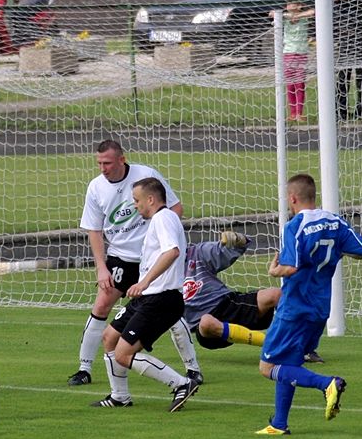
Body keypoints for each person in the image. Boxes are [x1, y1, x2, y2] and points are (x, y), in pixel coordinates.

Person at [69, 140, 201, 387]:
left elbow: (175, 207)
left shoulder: (147, 176)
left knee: (166, 310)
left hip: (153, 261)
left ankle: (192, 370)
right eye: (99, 163)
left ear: (122, 159)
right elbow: (94, 230)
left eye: (107, 163)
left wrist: (161, 235)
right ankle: (85, 368)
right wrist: (101, 267)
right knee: (101, 304)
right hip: (122, 258)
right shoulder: (96, 187)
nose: (103, 168)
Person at [256, 174, 362, 435]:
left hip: (295, 308)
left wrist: (274, 272)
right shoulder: (335, 222)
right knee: (291, 362)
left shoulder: (295, 226)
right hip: (320, 309)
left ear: (293, 198)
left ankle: (327, 384)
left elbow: (291, 267)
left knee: (269, 367)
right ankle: (278, 424)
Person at [90, 177, 199, 412]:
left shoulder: (164, 218)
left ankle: (181, 383)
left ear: (151, 199)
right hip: (148, 297)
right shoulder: (160, 220)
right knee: (109, 336)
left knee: (123, 353)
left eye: (137, 200)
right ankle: (119, 396)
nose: (135, 205)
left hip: (162, 298)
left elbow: (172, 252)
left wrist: (144, 282)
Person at [184, 231, 280, 350]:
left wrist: (238, 239)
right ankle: (275, 345)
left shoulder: (197, 253)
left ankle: (302, 344)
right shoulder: (161, 274)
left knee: (276, 294)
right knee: (206, 322)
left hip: (229, 304)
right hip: (207, 329)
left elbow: (227, 248)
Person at [270, 0, 314, 122]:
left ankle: (299, 113)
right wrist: (287, 16)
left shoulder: (304, 18)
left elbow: (313, 12)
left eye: (293, 4)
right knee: (290, 85)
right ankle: (292, 113)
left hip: (301, 54)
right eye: (288, 4)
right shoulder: (284, 18)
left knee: (299, 84)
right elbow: (272, 14)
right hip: (288, 54)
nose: (290, 6)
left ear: (299, 6)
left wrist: (299, 15)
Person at [334, 0, 362, 121]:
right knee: (343, 77)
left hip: (359, 40)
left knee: (361, 78)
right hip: (343, 42)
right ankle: (341, 111)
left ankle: (361, 110)